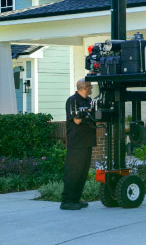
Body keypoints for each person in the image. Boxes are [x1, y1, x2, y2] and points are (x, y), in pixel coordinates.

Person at [60, 79, 97, 210]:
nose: (92, 89)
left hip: (88, 141)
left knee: (82, 172)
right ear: (84, 88)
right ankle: (67, 201)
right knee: (73, 171)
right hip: (76, 142)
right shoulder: (73, 100)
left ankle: (76, 199)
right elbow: (76, 120)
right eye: (90, 87)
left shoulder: (89, 101)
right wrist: (87, 114)